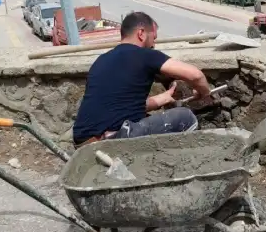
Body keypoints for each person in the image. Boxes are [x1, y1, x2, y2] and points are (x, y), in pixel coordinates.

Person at [73, 11, 212, 147]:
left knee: (146, 118)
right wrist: (205, 93)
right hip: (113, 141)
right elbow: (196, 75)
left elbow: (122, 106)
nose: (153, 45)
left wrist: (163, 98)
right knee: (185, 117)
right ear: (141, 34)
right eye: (153, 38)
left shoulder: (101, 60)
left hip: (83, 143)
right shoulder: (145, 55)